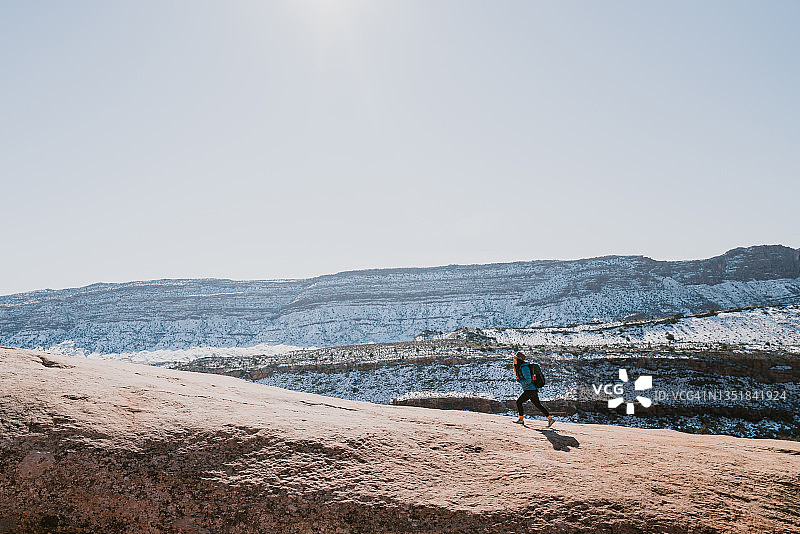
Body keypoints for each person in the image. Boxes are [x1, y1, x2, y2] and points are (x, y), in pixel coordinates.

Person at [513, 351, 554, 427]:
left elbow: (528, 380)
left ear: (518, 359)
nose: (514, 359)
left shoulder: (524, 368)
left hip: (530, 390)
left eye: (515, 358)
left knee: (519, 402)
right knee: (538, 405)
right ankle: (550, 419)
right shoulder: (521, 367)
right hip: (531, 389)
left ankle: (521, 420)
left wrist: (519, 380)